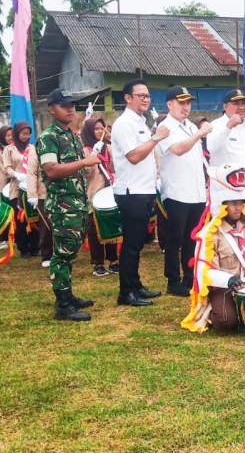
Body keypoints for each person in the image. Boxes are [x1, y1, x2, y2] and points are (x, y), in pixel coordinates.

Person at [181, 158, 245, 334]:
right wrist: (228, 280)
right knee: (225, 322)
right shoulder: (210, 235)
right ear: (222, 205)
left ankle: (244, 311)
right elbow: (204, 272)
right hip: (225, 287)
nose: (238, 208)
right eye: (233, 204)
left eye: (241, 203)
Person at [35, 89, 100, 321]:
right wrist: (84, 161)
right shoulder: (49, 137)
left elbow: (75, 169)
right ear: (51, 109)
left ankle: (68, 295)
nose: (70, 109)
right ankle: (63, 305)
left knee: (70, 252)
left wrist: (86, 168)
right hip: (63, 205)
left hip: (77, 202)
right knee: (61, 254)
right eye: (64, 105)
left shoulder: (72, 135)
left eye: (72, 105)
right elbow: (51, 170)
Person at [111, 79, 168, 306]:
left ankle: (135, 285)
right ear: (127, 98)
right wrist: (156, 138)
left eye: (148, 95)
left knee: (137, 243)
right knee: (131, 244)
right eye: (141, 95)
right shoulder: (124, 123)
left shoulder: (141, 122)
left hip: (144, 189)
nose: (146, 99)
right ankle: (126, 292)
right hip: (130, 191)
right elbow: (134, 156)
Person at [158, 86, 211, 297]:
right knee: (174, 239)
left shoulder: (189, 126)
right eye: (181, 103)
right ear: (170, 104)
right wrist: (200, 133)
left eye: (188, 103)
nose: (185, 107)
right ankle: (173, 280)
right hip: (176, 192)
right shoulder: (165, 126)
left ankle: (190, 276)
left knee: (192, 238)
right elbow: (178, 150)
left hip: (195, 191)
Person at [207, 89, 245, 199]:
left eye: (243, 103)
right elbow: (211, 148)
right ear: (225, 107)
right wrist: (228, 126)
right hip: (228, 190)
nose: (241, 107)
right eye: (236, 104)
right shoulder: (216, 125)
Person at [80, 117, 119, 277]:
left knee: (110, 227)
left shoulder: (108, 148)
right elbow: (85, 173)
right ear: (89, 131)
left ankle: (113, 260)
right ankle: (98, 263)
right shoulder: (85, 150)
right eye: (96, 129)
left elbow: (114, 167)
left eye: (102, 128)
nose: (99, 131)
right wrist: (92, 157)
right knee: (95, 230)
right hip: (93, 194)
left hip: (109, 193)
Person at [2, 121, 39, 257]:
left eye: (28, 134)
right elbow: (6, 167)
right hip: (17, 189)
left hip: (31, 188)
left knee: (34, 218)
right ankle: (24, 248)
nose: (26, 136)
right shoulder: (9, 149)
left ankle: (35, 246)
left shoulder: (32, 148)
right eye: (23, 134)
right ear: (17, 134)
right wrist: (17, 174)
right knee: (20, 220)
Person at [25, 133, 53, 268]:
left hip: (60, 192)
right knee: (46, 226)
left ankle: (62, 252)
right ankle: (46, 254)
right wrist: (32, 194)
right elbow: (31, 172)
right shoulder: (35, 151)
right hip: (43, 193)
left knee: (61, 224)